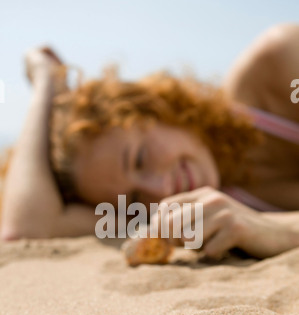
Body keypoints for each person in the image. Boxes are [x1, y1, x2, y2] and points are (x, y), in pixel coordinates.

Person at [1, 23, 299, 260]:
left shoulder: (276, 68)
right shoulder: (196, 210)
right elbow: (27, 229)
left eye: (139, 158)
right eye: (134, 200)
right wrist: (45, 87)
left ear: (155, 109)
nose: (161, 189)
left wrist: (279, 231)